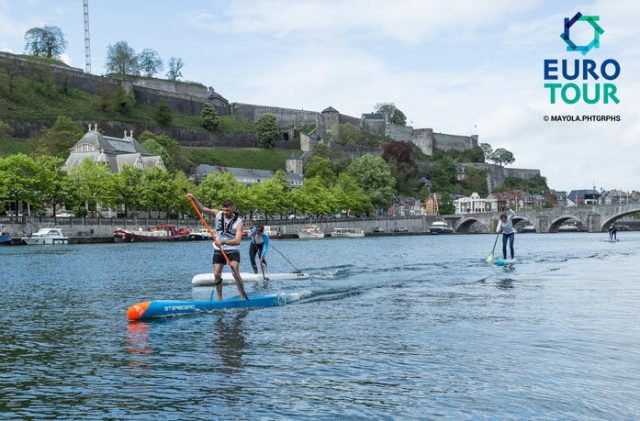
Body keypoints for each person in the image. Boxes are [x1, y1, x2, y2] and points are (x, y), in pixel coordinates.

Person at [186, 194, 246, 300]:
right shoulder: (218, 214)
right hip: (219, 249)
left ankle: (242, 296)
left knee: (235, 271)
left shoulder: (239, 222)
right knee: (217, 274)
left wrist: (222, 241)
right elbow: (203, 209)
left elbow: (237, 241)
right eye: (224, 210)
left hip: (232, 249)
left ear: (233, 209)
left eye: (227, 210)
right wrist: (194, 199)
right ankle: (220, 299)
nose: (225, 212)